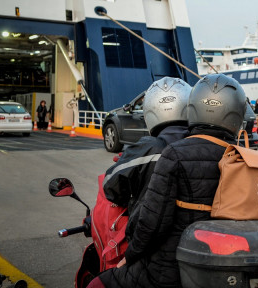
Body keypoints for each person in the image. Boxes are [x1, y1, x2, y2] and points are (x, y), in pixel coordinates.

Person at [93, 74, 247, 288]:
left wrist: (131, 254)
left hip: (170, 265)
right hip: (228, 259)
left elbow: (151, 221)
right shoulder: (243, 156)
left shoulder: (172, 153)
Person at [102, 77, 192, 235]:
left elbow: (110, 186)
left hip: (151, 242)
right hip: (198, 239)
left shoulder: (148, 148)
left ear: (151, 110)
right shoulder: (204, 145)